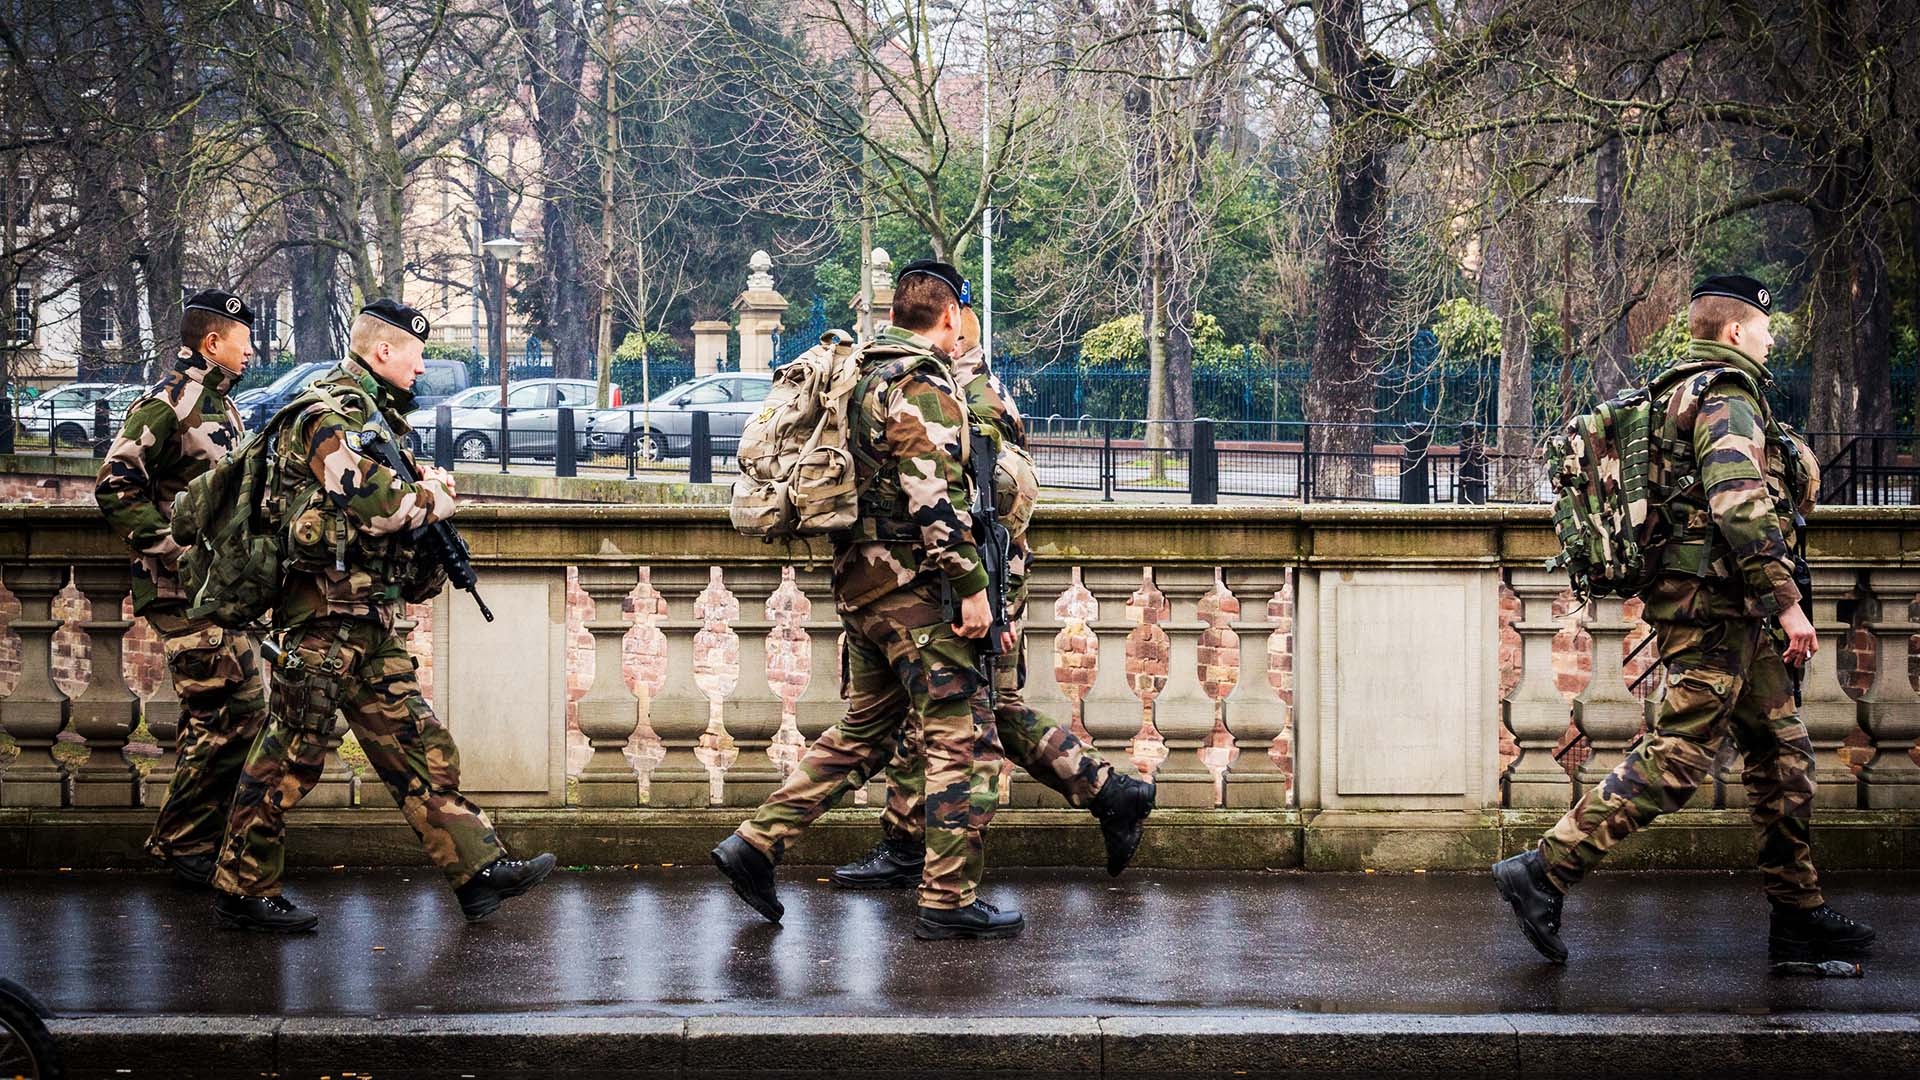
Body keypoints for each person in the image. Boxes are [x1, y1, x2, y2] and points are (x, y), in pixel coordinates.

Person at [1493, 274, 1875, 964]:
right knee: (1679, 754)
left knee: (1782, 751)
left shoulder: (1675, 392)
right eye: (1763, 326)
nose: (1768, 337)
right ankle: (1545, 868)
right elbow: (1738, 506)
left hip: (1722, 607)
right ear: (1734, 330)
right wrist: (1788, 605)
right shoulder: (1725, 397)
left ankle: (1798, 915)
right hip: (1716, 611)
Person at [209, 298, 554, 932]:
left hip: (366, 620)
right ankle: (240, 887)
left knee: (419, 748)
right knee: (291, 756)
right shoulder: (325, 414)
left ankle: (476, 872)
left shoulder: (375, 420)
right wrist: (439, 496)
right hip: (319, 622)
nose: (424, 368)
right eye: (417, 355)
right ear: (383, 351)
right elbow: (379, 505)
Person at [711, 259, 1021, 940]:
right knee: (962, 742)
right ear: (950, 314)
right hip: (918, 592)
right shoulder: (920, 386)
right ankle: (947, 900)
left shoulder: (859, 375)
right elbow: (931, 499)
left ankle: (755, 843)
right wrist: (972, 590)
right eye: (962, 317)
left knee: (863, 733)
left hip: (862, 586)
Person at [832, 303, 1155, 891]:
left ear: (954, 334)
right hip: (969, 578)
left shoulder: (969, 396)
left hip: (982, 578)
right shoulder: (954, 386)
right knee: (974, 708)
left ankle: (918, 850)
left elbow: (989, 505)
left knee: (960, 710)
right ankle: (1111, 792)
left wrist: (989, 600)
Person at [95, 290, 267, 889]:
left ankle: (195, 842)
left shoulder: (223, 404)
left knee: (221, 716)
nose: (252, 351)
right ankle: (182, 844)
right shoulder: (167, 403)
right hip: (180, 596)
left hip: (218, 593)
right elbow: (115, 485)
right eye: (243, 341)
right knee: (235, 712)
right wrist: (177, 550)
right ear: (212, 343)